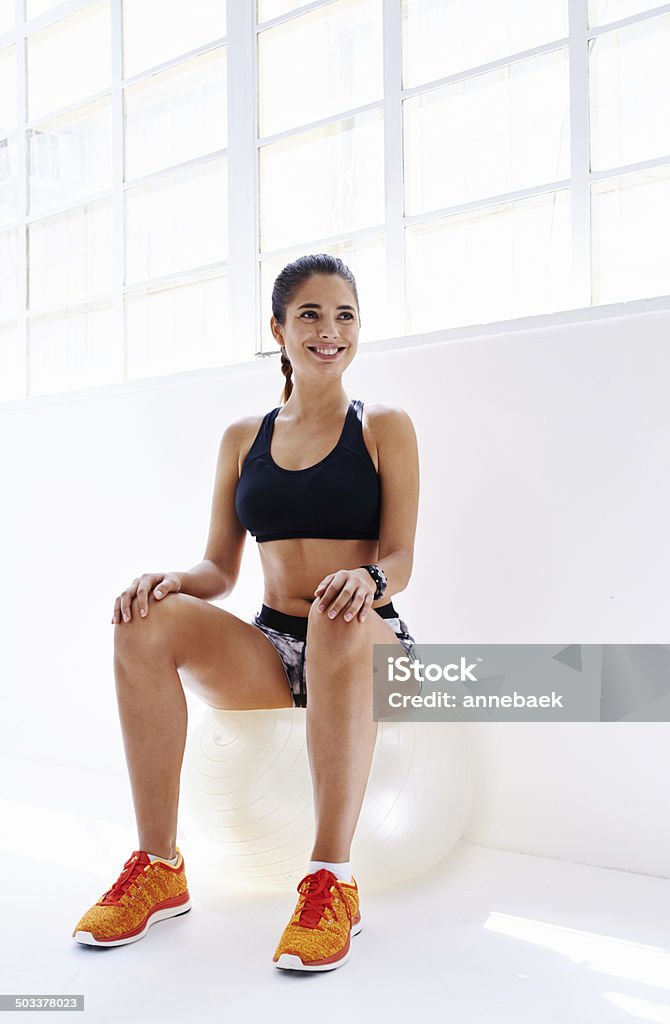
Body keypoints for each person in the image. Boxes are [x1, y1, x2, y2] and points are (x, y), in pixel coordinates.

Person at [71, 253, 421, 972]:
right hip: (275, 647)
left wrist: (366, 579)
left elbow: (401, 557)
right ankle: (159, 866)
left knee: (335, 611)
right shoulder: (242, 438)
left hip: (367, 640)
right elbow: (218, 570)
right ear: (279, 328)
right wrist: (168, 581)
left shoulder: (383, 425)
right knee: (142, 619)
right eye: (311, 315)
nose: (330, 331)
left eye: (345, 315)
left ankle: (332, 881)